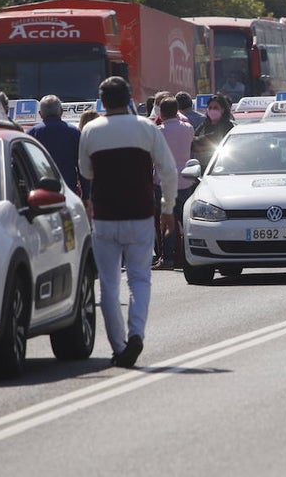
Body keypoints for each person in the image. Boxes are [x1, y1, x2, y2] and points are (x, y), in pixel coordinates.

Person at [79, 76, 178, 369]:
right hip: (140, 214)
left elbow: (85, 170)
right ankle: (136, 334)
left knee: (108, 285)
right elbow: (169, 171)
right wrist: (168, 208)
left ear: (102, 101)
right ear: (129, 99)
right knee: (140, 279)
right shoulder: (146, 127)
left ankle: (119, 346)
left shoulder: (91, 130)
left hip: (105, 217)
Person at [153, 96, 196, 270]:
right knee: (186, 221)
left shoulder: (158, 131)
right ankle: (190, 255)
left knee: (167, 221)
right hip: (185, 180)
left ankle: (168, 258)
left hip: (163, 182)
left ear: (161, 113)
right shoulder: (188, 128)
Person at [28, 95, 89, 202]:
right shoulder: (74, 132)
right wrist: (86, 195)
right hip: (68, 191)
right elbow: (82, 166)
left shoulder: (31, 134)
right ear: (61, 111)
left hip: (39, 194)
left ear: (40, 114)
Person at [192, 93, 233, 169]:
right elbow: (193, 139)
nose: (212, 110)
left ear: (223, 109)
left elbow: (216, 139)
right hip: (200, 167)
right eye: (210, 108)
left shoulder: (228, 126)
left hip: (220, 166)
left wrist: (202, 147)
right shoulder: (204, 124)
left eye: (215, 108)